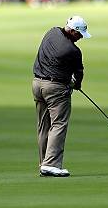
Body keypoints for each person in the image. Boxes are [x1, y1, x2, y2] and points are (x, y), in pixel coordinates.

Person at [32, 15, 91, 177]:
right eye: (79, 34)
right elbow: (78, 73)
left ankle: (44, 162)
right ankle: (51, 164)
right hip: (55, 89)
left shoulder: (52, 32)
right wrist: (76, 84)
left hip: (37, 84)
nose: (80, 38)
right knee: (58, 124)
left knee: (43, 125)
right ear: (72, 31)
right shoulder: (73, 51)